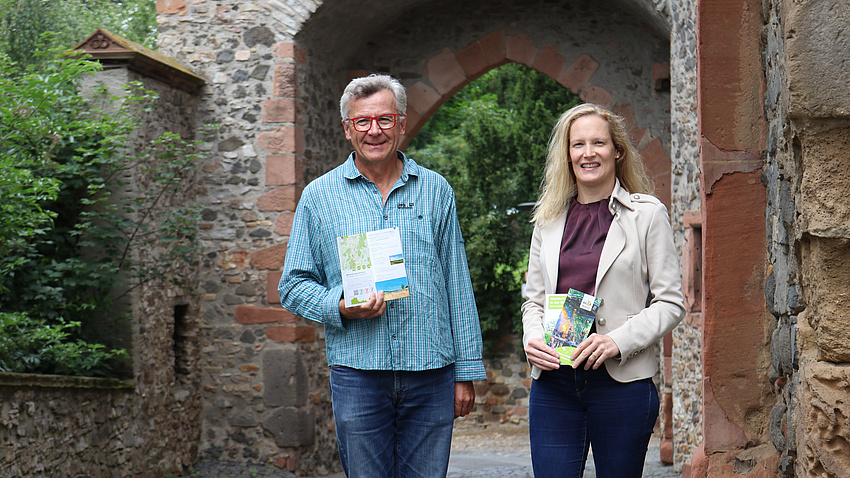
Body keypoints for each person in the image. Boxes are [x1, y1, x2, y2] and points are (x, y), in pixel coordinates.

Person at [279, 74, 486, 478]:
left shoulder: (436, 190)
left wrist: (466, 370)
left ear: (402, 124)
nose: (374, 130)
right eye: (363, 121)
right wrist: (340, 306)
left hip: (431, 372)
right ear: (347, 129)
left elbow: (457, 283)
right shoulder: (318, 197)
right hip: (358, 374)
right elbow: (292, 285)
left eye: (385, 119)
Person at [521, 103, 685, 477]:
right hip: (555, 382)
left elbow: (671, 303)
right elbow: (533, 300)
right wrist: (532, 338)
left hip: (621, 383)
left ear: (617, 151)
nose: (588, 153)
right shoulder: (547, 220)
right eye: (578, 144)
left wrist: (616, 341)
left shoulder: (647, 215)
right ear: (567, 155)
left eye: (598, 143)